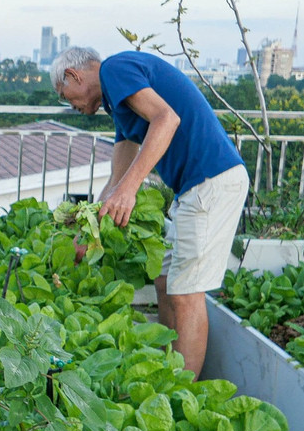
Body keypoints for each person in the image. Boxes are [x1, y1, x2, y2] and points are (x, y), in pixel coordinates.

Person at [51, 45, 247, 378]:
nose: (71, 105)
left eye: (64, 95)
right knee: (165, 276)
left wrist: (130, 189)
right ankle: (168, 365)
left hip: (212, 180)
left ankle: (182, 388)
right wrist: (87, 232)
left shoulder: (114, 69)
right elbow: (117, 178)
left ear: (74, 75)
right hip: (193, 188)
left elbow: (167, 119)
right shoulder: (119, 104)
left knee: (186, 292)